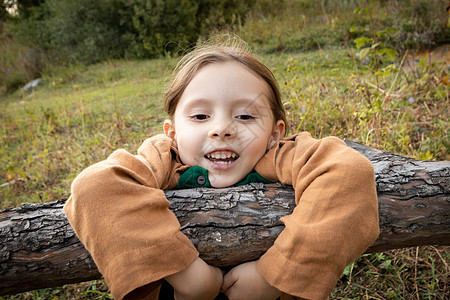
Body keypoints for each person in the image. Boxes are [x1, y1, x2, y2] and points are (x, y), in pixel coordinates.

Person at [64, 36, 379, 300]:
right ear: (172, 132)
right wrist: (188, 276)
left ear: (274, 133)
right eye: (201, 117)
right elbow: (94, 186)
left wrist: (271, 278)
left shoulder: (283, 154)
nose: (222, 129)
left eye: (244, 117)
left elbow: (349, 172)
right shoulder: (163, 158)